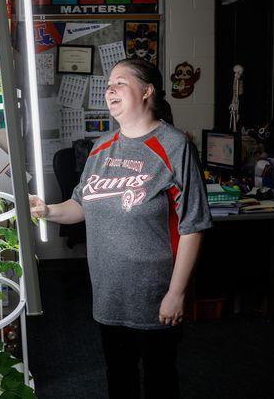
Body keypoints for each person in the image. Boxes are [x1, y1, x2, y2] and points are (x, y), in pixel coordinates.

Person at [30, 57, 213, 398]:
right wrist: (47, 210)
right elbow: (81, 205)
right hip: (108, 292)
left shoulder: (175, 146)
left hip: (155, 295)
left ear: (147, 91)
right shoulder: (101, 147)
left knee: (160, 380)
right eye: (108, 83)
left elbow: (193, 226)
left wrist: (176, 294)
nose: (109, 89)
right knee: (119, 375)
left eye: (120, 82)